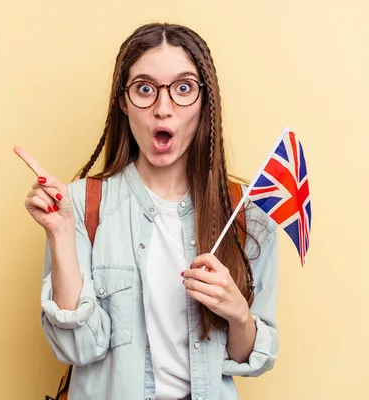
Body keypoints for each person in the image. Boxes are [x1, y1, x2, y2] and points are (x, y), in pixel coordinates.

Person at [14, 22, 278, 400]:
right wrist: (59, 233)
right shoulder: (80, 205)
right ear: (123, 102)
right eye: (144, 89)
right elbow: (77, 350)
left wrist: (238, 313)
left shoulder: (246, 216)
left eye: (183, 88)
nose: (163, 108)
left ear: (205, 100)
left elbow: (247, 358)